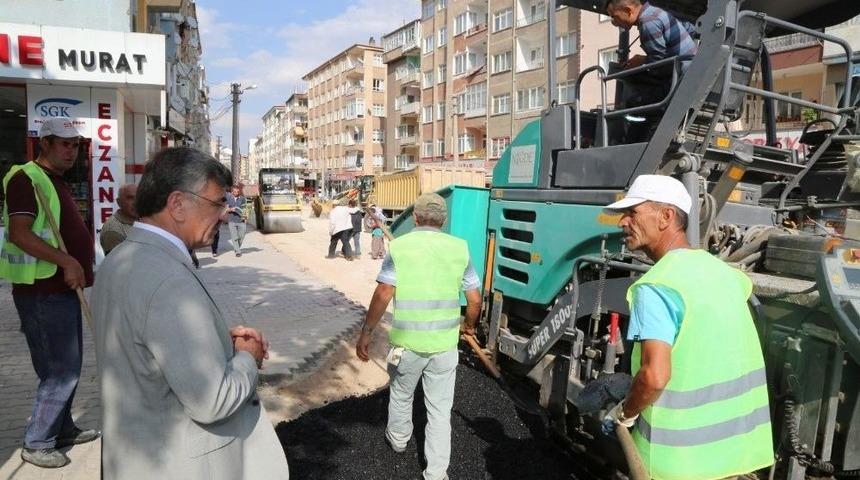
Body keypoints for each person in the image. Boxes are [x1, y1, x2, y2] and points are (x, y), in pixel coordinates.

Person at [90, 147, 289, 479]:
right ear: (177, 204)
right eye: (216, 203)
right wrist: (246, 356)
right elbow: (212, 400)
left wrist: (214, 344)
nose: (224, 214)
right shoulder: (168, 279)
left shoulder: (119, 260)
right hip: (178, 465)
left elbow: (143, 346)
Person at [601, 175, 773, 479]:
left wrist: (625, 414)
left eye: (633, 213)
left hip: (679, 463)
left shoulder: (656, 287)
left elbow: (654, 377)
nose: (622, 223)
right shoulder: (728, 276)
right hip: (735, 453)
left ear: (666, 216)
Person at [356, 193, 482, 480]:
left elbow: (383, 293)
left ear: (415, 217)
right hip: (444, 347)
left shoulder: (400, 248)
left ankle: (399, 441)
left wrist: (367, 332)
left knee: (401, 395)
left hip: (407, 344)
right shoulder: (459, 248)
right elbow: (474, 299)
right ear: (443, 220)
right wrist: (469, 326)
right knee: (439, 410)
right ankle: (437, 473)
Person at [0, 117, 100, 468]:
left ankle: (62, 428)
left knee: (69, 365)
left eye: (75, 145)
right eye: (63, 143)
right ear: (44, 144)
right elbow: (19, 233)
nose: (71, 151)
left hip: (62, 290)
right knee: (59, 370)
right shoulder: (25, 178)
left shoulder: (54, 181)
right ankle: (38, 440)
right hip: (42, 291)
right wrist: (67, 262)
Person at [605, 0, 697, 141]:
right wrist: (641, 62)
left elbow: (658, 64)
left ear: (628, 11)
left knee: (632, 103)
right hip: (685, 73)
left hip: (678, 81)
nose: (614, 22)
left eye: (614, 16)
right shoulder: (656, 12)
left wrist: (640, 62)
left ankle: (629, 144)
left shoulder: (648, 22)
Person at [100, 183, 138, 255]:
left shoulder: (141, 219)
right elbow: (119, 263)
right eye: (130, 198)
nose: (135, 202)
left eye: (138, 198)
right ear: (119, 202)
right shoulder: (113, 230)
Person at [225, 184, 248, 257]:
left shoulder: (242, 199)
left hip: (241, 220)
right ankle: (238, 251)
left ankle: (237, 247)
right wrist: (230, 209)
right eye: (235, 192)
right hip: (232, 220)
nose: (236, 193)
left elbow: (245, 209)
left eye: (237, 192)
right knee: (234, 237)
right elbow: (226, 209)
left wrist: (246, 217)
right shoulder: (229, 198)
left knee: (241, 236)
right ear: (232, 192)